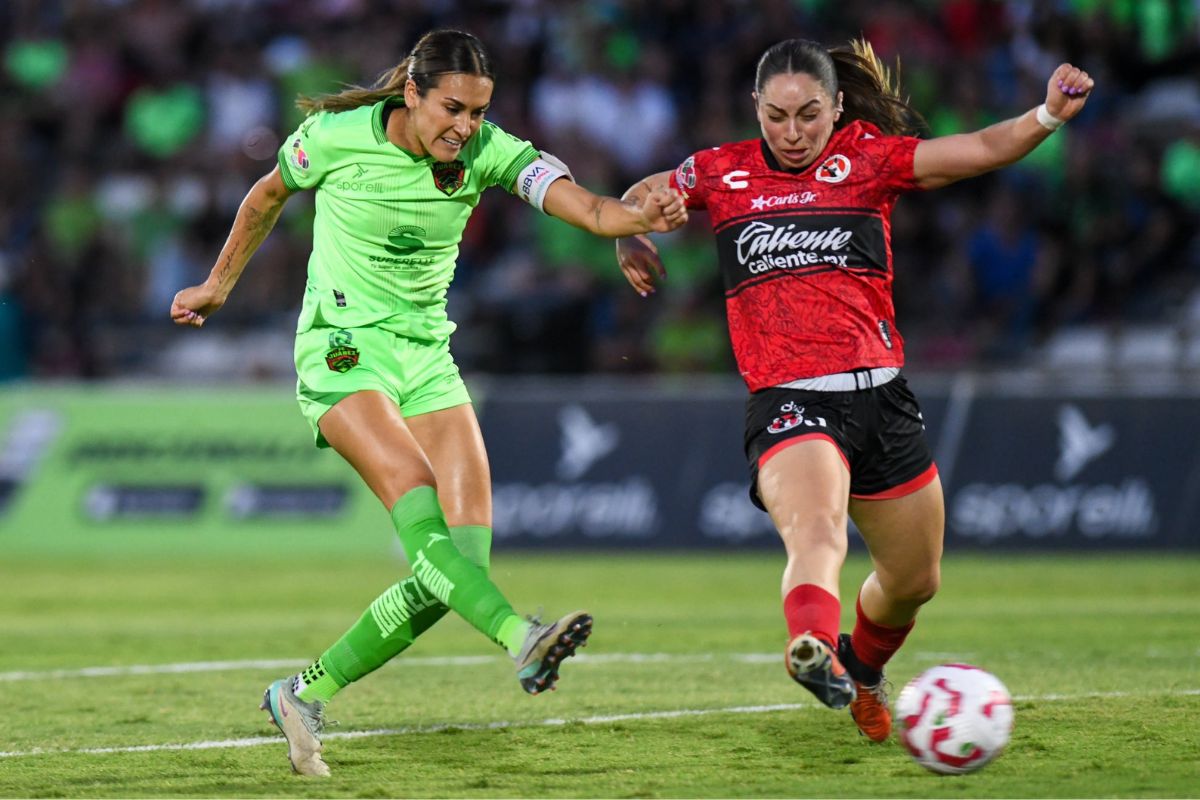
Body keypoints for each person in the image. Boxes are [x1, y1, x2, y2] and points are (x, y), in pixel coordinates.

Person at [171, 29, 687, 777]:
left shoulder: (486, 153)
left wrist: (634, 222)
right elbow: (267, 194)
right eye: (452, 109)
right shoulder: (336, 137)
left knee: (457, 563)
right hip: (343, 350)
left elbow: (586, 205)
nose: (465, 127)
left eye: (478, 112)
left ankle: (302, 692)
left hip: (427, 361)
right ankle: (522, 637)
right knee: (423, 522)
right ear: (411, 95)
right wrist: (218, 284)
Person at [616, 38, 1092, 742]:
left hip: (883, 398)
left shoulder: (868, 158)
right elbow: (644, 192)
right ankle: (809, 644)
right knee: (816, 530)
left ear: (837, 107)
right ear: (756, 109)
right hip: (789, 400)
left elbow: (981, 147)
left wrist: (1046, 116)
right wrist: (629, 232)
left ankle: (860, 671)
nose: (793, 132)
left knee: (914, 580)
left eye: (810, 114)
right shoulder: (721, 172)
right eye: (777, 116)